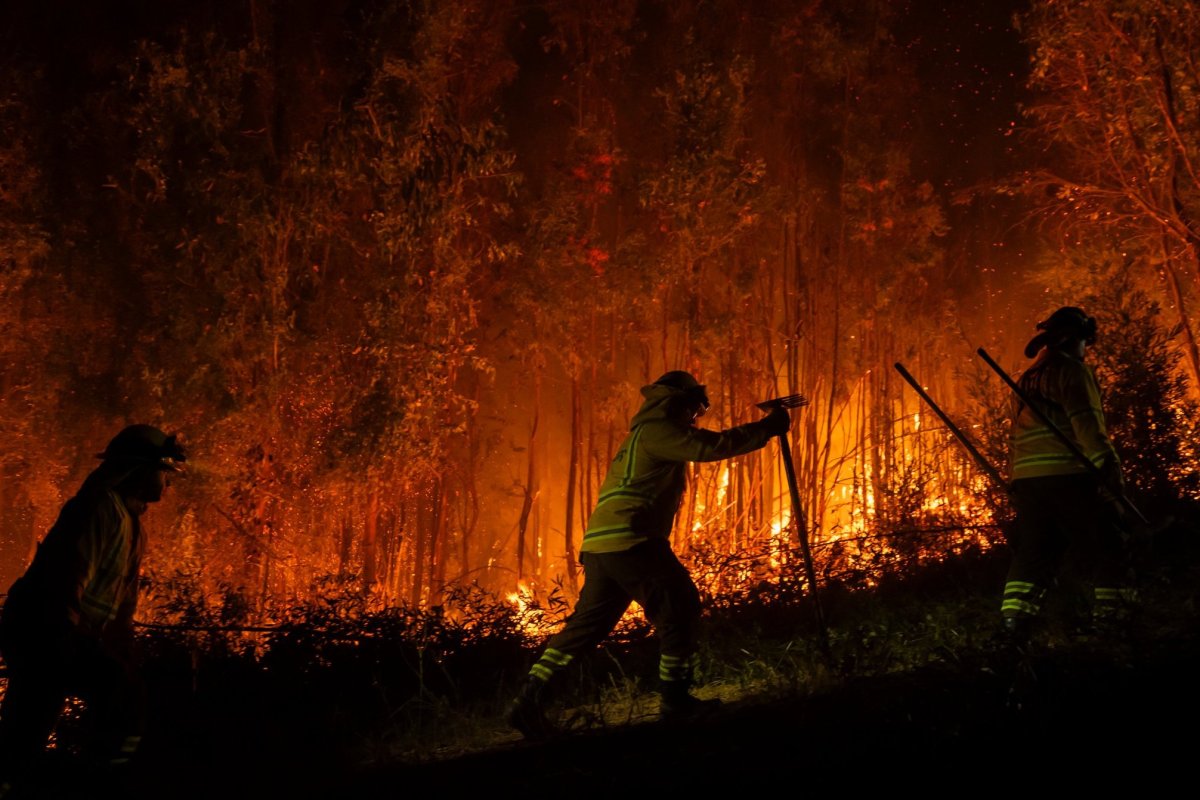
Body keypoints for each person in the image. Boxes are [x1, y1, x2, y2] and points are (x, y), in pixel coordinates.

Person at [507, 370, 790, 739]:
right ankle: (675, 701)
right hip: (632, 540)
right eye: (695, 407)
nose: (695, 416)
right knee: (680, 607)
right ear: (678, 401)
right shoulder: (660, 430)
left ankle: (528, 704)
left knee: (585, 630)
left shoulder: (640, 435)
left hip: (602, 546)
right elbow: (710, 446)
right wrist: (766, 428)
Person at [0, 424, 186, 789]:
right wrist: (71, 645)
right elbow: (68, 580)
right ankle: (95, 782)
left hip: (59, 634)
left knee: (28, 732)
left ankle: (74, 778)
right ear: (139, 469)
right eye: (164, 472)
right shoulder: (98, 509)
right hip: (42, 632)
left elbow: (122, 605)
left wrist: (121, 647)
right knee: (110, 696)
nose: (169, 482)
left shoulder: (130, 525)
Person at [1000, 306, 1134, 645]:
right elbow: (1087, 423)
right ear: (1075, 339)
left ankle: (1014, 627)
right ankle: (1116, 623)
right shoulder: (1072, 371)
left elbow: (1016, 435)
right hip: (1067, 474)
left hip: (1029, 480)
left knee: (1035, 552)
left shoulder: (1025, 379)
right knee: (1110, 541)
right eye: (1085, 342)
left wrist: (1015, 482)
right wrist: (1109, 467)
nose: (1086, 350)